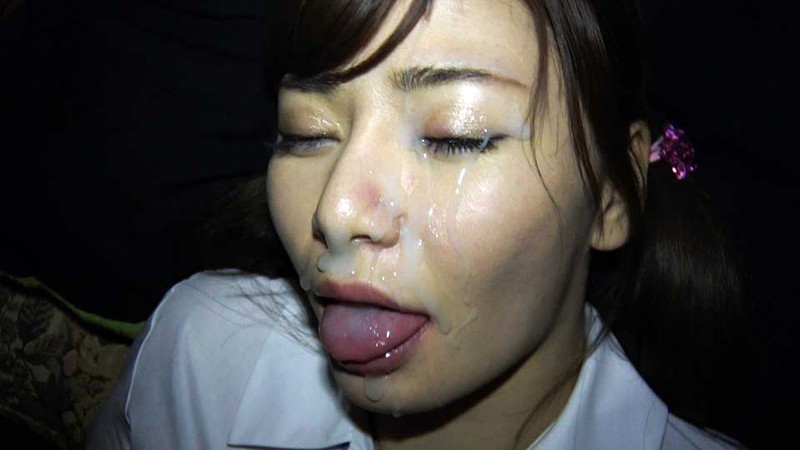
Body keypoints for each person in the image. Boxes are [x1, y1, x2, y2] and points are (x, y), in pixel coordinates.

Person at [88, 0, 747, 448]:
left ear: (612, 195)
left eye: (454, 136)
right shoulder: (199, 355)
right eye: (306, 132)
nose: (335, 212)